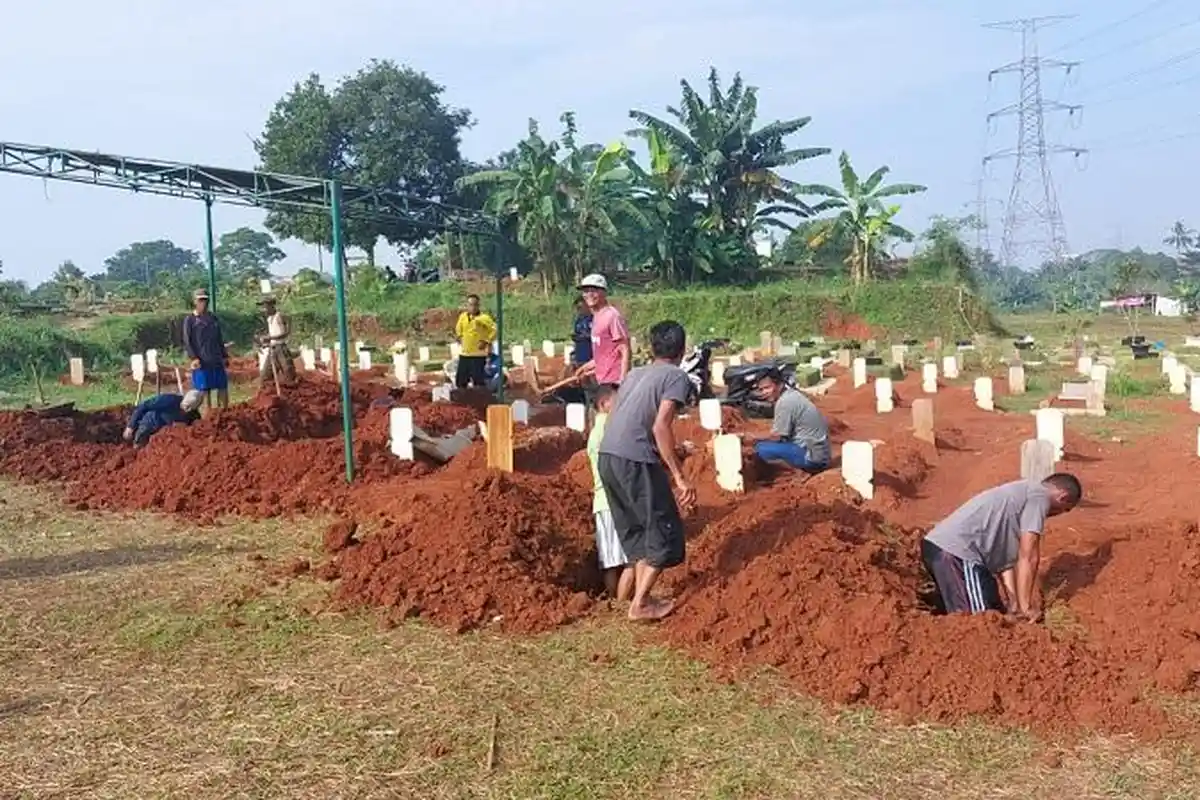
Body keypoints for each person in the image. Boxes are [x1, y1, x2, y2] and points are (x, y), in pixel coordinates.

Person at [597, 320, 695, 621]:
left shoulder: (635, 374)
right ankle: (639, 605)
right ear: (682, 350)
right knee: (664, 529)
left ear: (652, 348)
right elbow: (660, 425)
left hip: (608, 456)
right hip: (635, 458)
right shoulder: (676, 377)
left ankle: (643, 597)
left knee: (639, 532)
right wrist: (679, 476)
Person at [921, 474, 1083, 620]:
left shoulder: (1020, 498)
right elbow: (1029, 556)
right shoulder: (1040, 496)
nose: (1056, 514)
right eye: (1065, 510)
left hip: (943, 551)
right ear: (1063, 497)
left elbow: (1004, 563)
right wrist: (1026, 607)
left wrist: (1014, 603)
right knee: (980, 622)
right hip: (957, 555)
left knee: (997, 613)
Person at [587, 383, 632, 600]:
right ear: (604, 404)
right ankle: (623, 604)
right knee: (634, 558)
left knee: (610, 562)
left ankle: (615, 601)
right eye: (618, 401)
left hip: (602, 502)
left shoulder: (596, 431)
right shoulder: (609, 429)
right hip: (616, 502)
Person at [748, 369, 831, 473]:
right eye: (761, 389)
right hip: (819, 454)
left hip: (813, 459)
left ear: (780, 385)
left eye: (767, 387)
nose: (764, 392)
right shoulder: (792, 394)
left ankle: (789, 472)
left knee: (759, 450)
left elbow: (777, 436)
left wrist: (750, 438)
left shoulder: (785, 402)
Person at [574, 274, 630, 401]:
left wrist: (623, 381)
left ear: (603, 292)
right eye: (585, 291)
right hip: (601, 380)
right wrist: (585, 368)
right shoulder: (596, 317)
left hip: (613, 381)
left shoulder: (612, 316)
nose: (589, 294)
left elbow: (624, 349)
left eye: (593, 290)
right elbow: (604, 353)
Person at [182, 288, 229, 411]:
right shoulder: (190, 320)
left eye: (206, 300)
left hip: (216, 358)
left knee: (222, 387)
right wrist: (194, 358)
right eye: (201, 300)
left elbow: (219, 338)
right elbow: (187, 341)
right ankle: (208, 416)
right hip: (201, 361)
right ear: (195, 302)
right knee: (204, 390)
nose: (204, 303)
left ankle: (223, 412)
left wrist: (224, 355)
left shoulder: (213, 318)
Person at [123, 390, 204, 447]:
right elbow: (144, 406)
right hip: (150, 425)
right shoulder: (169, 400)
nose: (188, 410)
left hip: (167, 438)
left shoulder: (194, 415)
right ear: (184, 399)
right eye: (187, 406)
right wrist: (130, 426)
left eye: (192, 408)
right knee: (139, 447)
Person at [454, 294, 497, 390]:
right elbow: (458, 328)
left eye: (475, 305)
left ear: (478, 305)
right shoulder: (463, 317)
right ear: (467, 305)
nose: (473, 307)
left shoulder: (484, 318)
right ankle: (462, 400)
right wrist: (459, 336)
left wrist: (486, 341)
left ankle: (479, 399)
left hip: (478, 354)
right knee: (461, 380)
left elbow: (494, 330)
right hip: (465, 353)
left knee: (478, 380)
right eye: (470, 305)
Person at [257, 296, 296, 385]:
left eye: (264, 307)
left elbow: (286, 333)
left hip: (281, 349)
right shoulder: (269, 319)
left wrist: (270, 338)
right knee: (265, 376)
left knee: (289, 374)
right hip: (272, 349)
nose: (263, 309)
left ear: (271, 306)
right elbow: (273, 334)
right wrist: (266, 341)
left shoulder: (280, 316)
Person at [570, 295, 593, 370]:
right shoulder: (578, 321)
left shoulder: (594, 320)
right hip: (580, 354)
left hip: (590, 356)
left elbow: (597, 337)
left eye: (580, 308)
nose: (579, 311)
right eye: (577, 308)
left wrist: (585, 336)